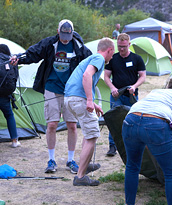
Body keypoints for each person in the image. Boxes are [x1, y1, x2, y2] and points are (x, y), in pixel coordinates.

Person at [11, 19, 92, 174]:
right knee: (52, 125)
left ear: (72, 32)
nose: (65, 38)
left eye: (67, 35)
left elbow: (91, 63)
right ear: (57, 31)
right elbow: (33, 53)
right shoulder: (50, 44)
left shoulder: (79, 46)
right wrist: (19, 59)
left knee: (72, 126)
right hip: (51, 87)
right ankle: (51, 160)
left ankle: (70, 160)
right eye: (62, 34)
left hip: (71, 90)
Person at [121, 74, 172, 205]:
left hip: (130, 120)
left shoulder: (155, 92)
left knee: (132, 166)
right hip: (156, 124)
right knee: (171, 173)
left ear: (168, 86)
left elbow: (143, 118)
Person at [64, 37, 115, 186]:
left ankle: (84, 166)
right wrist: (88, 100)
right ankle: (80, 177)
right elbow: (87, 76)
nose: (112, 57)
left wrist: (92, 101)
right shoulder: (99, 58)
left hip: (70, 98)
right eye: (112, 53)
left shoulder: (91, 58)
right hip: (78, 99)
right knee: (92, 135)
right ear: (110, 50)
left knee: (88, 134)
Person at [104, 33, 146, 156]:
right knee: (114, 120)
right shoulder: (113, 59)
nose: (121, 49)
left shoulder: (137, 59)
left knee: (132, 120)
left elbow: (142, 76)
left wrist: (134, 86)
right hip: (117, 95)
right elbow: (106, 76)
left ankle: (133, 146)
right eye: (119, 46)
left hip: (131, 96)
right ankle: (112, 146)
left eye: (124, 46)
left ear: (129, 44)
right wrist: (112, 88)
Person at [0, 44, 20, 148]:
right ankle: (14, 141)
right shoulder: (11, 60)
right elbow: (15, 76)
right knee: (9, 115)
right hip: (5, 94)